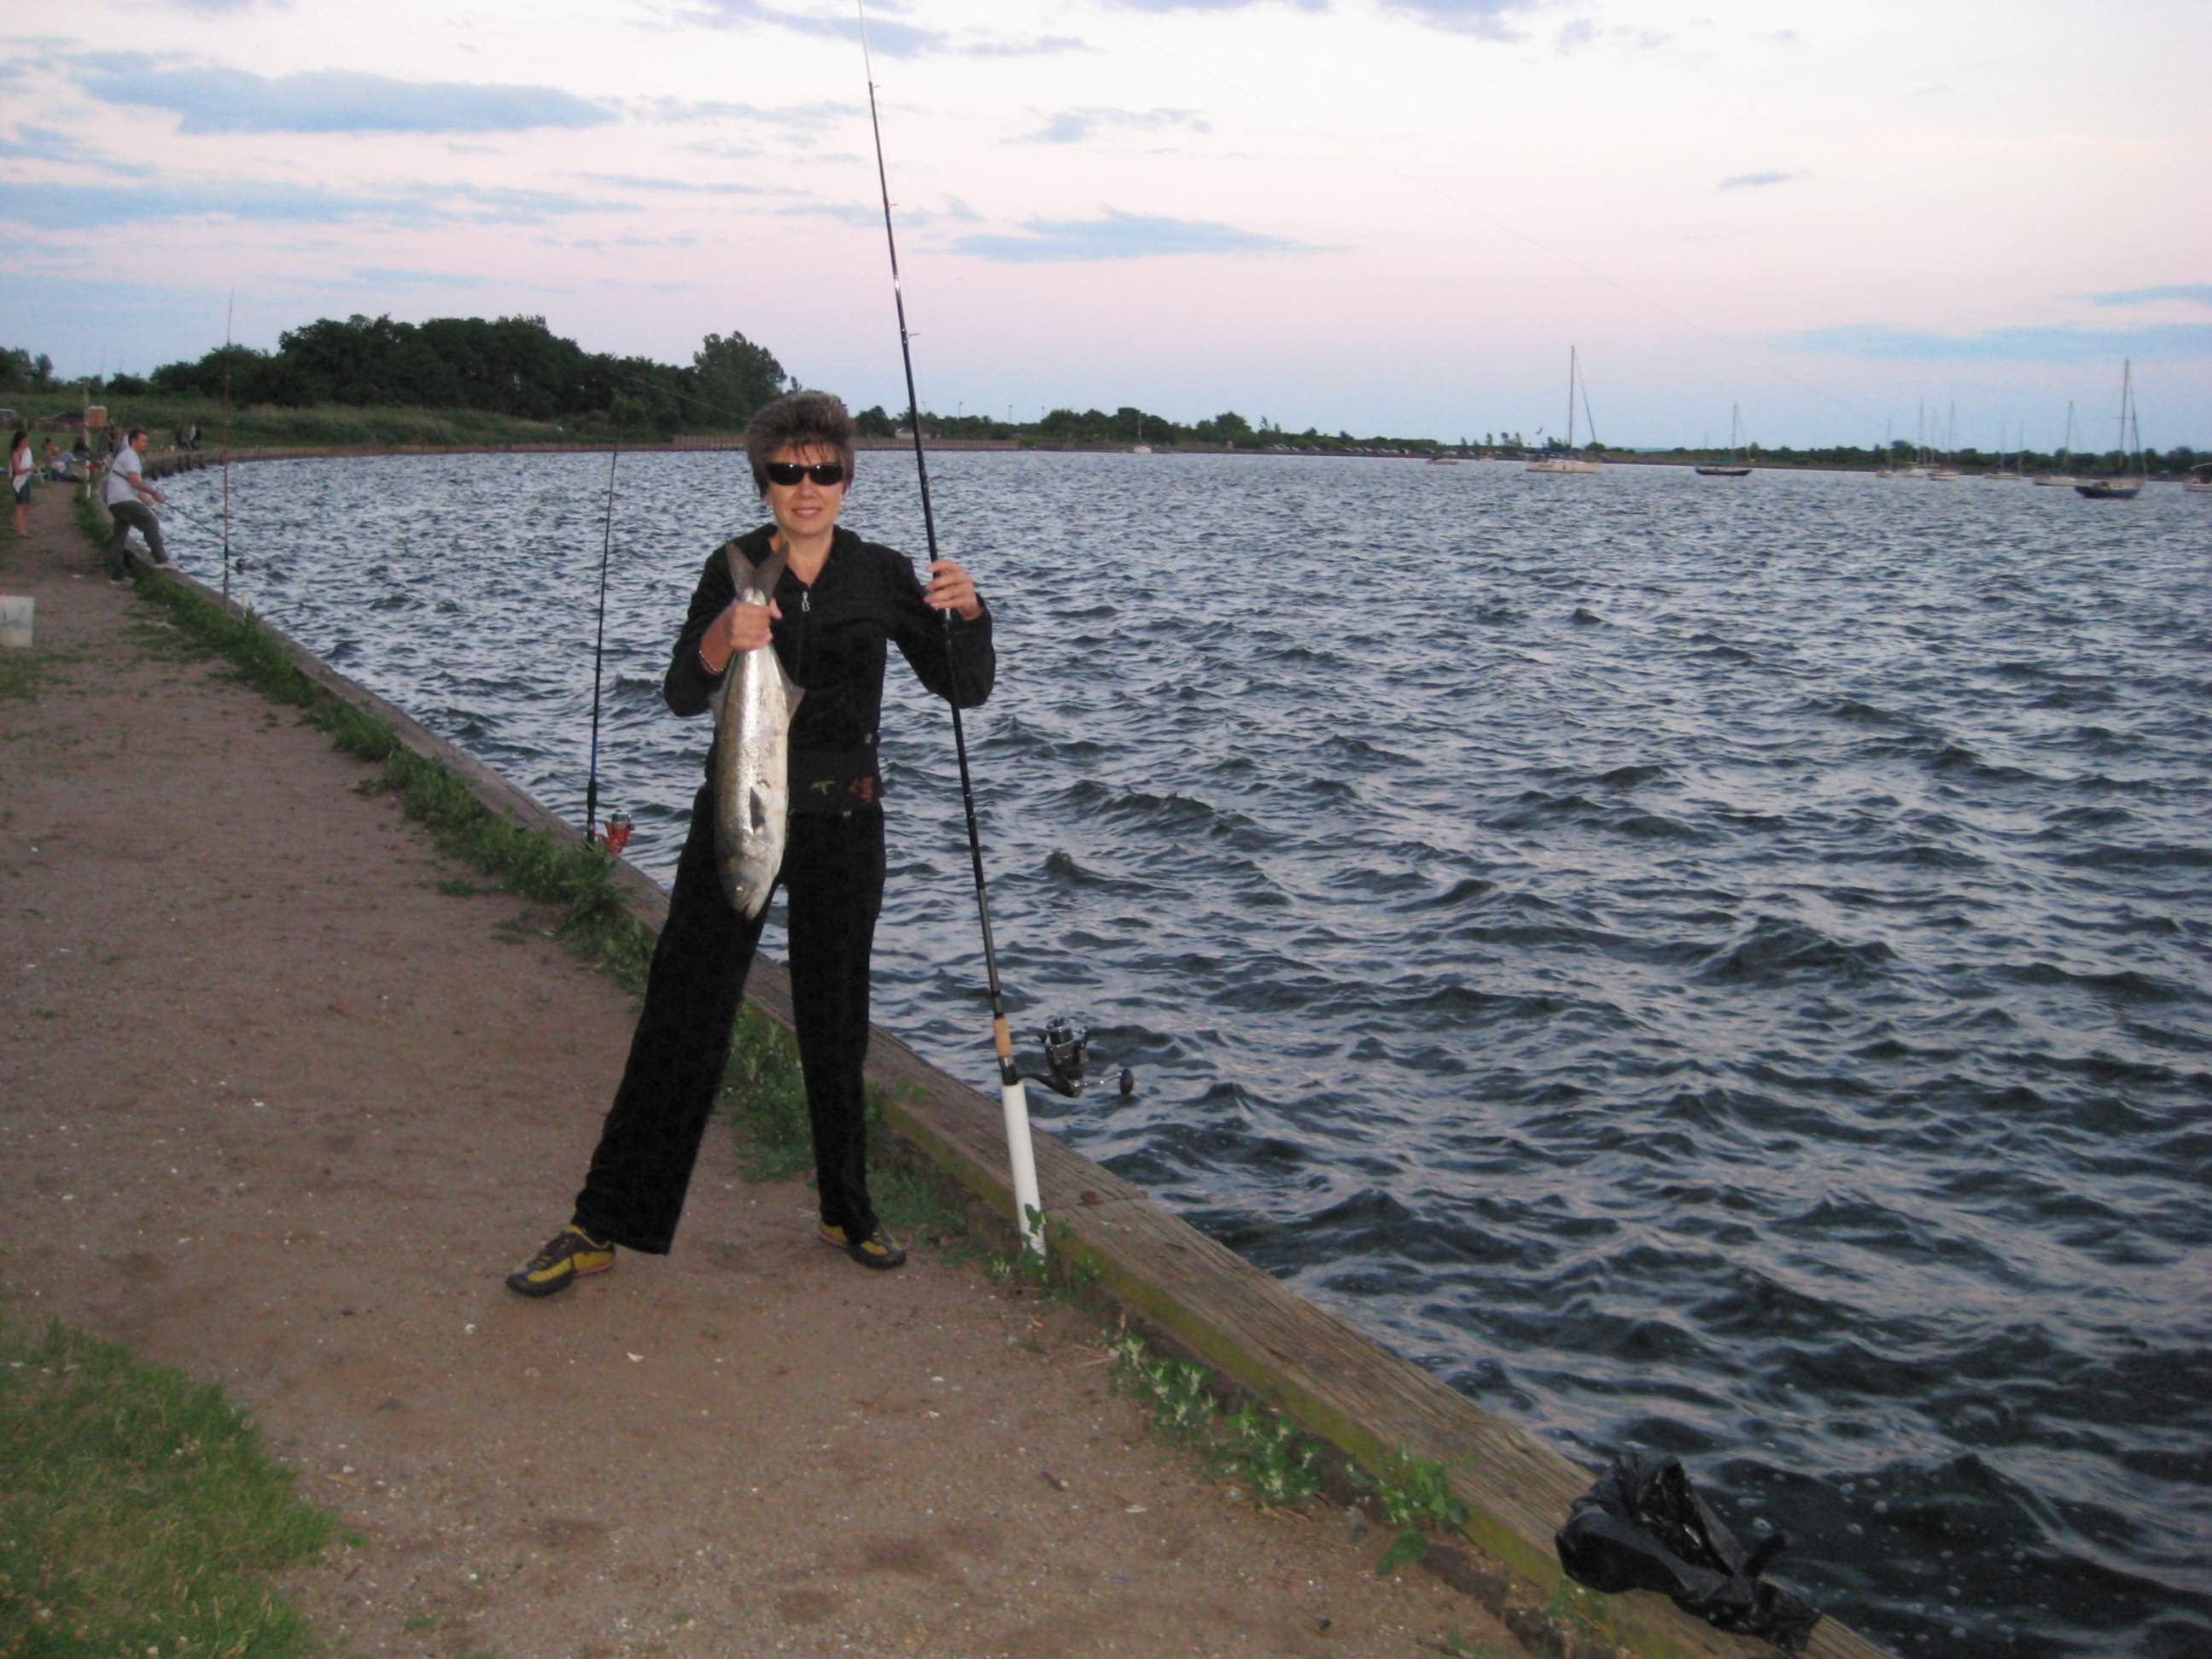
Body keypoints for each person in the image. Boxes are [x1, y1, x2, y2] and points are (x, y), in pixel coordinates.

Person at [507, 391, 995, 1296]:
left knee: (835, 1021)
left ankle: (846, 1208)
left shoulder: (882, 573)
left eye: (824, 470)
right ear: (762, 480)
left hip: (844, 820)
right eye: (786, 470)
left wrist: (967, 616)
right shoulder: (731, 568)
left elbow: (962, 688)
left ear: (846, 478)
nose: (806, 486)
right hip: (737, 812)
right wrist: (719, 639)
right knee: (681, 1013)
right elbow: (679, 694)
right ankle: (600, 1221)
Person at [102, 427, 168, 582]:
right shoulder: (131, 456)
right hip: (124, 500)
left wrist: (152, 504)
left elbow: (136, 490)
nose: (146, 444)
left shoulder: (126, 456)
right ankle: (161, 560)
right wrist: (154, 492)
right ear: (133, 441)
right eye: (143, 441)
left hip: (115, 502)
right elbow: (135, 482)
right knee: (150, 523)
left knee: (119, 538)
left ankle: (117, 576)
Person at [8, 429, 30, 535]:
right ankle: (21, 530)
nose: (27, 442)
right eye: (24, 440)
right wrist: (30, 469)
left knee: (26, 504)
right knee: (20, 505)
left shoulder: (27, 452)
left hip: (26, 479)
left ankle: (15, 522)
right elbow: (17, 471)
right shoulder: (15, 453)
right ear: (19, 441)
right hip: (19, 481)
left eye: (27, 440)